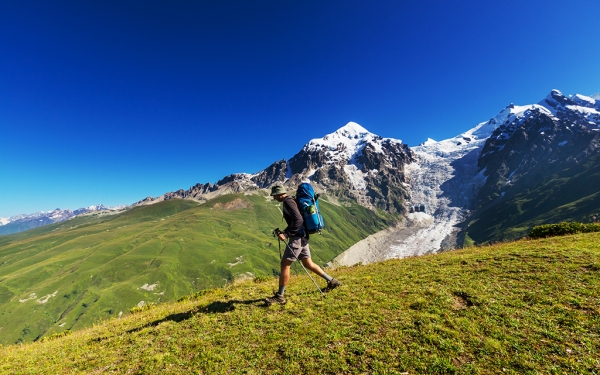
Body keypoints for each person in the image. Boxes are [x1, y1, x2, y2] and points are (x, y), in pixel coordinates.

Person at [265, 185, 340, 305]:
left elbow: (298, 220)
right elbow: (297, 221)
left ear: (279, 194)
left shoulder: (288, 202)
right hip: (303, 236)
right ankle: (332, 281)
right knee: (308, 263)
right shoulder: (292, 200)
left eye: (274, 196)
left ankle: (280, 296)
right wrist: (284, 232)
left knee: (285, 264)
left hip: (297, 238)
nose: (274, 198)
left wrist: (287, 234)